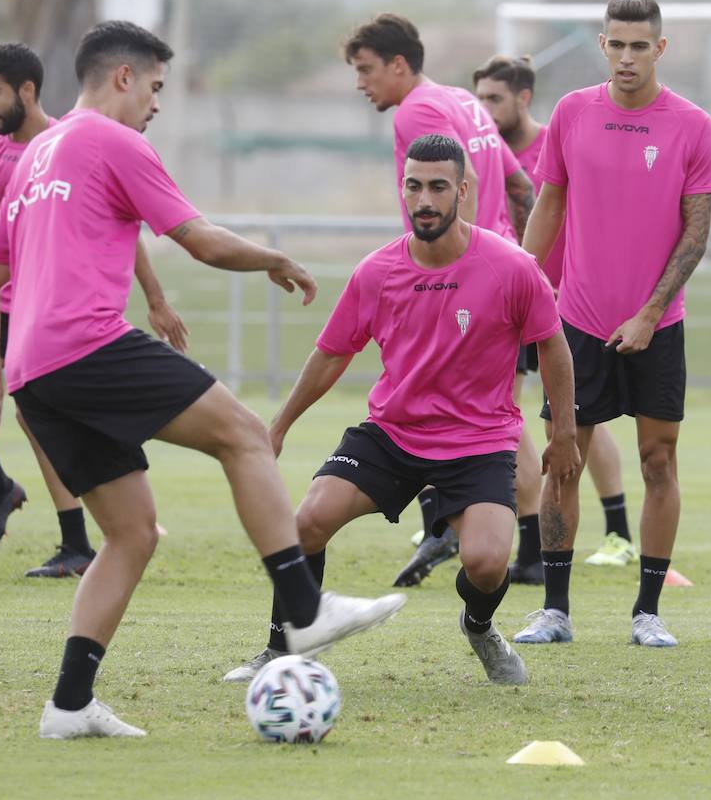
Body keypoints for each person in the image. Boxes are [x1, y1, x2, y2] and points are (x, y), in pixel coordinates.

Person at [0, 20, 405, 739]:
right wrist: (273, 258)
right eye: (156, 87)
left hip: (34, 372)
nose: (157, 104)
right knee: (246, 436)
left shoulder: (38, 153)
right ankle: (302, 605)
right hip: (88, 346)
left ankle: (68, 706)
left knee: (131, 534)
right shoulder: (114, 140)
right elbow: (197, 238)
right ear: (123, 77)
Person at [221, 134, 578, 685]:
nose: (425, 200)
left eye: (438, 187)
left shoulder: (511, 267)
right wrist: (280, 425)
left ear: (463, 190)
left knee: (486, 564)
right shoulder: (377, 271)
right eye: (413, 186)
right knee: (306, 522)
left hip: (478, 441)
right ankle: (280, 650)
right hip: (392, 433)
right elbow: (331, 354)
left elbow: (553, 345)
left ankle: (480, 626)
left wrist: (566, 432)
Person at [0, 42, 184, 576]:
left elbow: (127, 228)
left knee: (36, 415)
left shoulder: (67, 140)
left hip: (44, 306)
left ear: (27, 91)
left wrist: (156, 300)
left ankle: (76, 540)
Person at [516, 0, 711, 648]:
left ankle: (648, 612)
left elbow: (695, 236)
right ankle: (554, 610)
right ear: (601, 45)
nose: (627, 57)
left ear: (660, 49)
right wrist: (518, 285)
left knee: (658, 463)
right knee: (562, 460)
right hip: (575, 323)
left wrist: (649, 314)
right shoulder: (572, 113)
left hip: (657, 328)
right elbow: (549, 204)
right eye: (617, 44)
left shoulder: (693, 125)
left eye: (640, 46)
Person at [343, 12, 539, 587]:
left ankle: (456, 524)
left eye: (366, 70)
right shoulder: (461, 99)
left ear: (399, 65)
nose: (362, 84)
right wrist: (521, 262)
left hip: (465, 287)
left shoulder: (418, 111)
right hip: (499, 275)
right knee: (501, 417)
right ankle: (511, 544)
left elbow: (458, 192)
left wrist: (467, 273)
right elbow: (520, 184)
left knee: (455, 409)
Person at [473, 53, 636, 580]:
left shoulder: (558, 137)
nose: (483, 108)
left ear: (523, 98)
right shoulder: (486, 151)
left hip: (569, 297)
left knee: (576, 415)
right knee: (530, 410)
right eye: (478, 98)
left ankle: (616, 532)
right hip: (521, 290)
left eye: (493, 98)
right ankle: (494, 522)